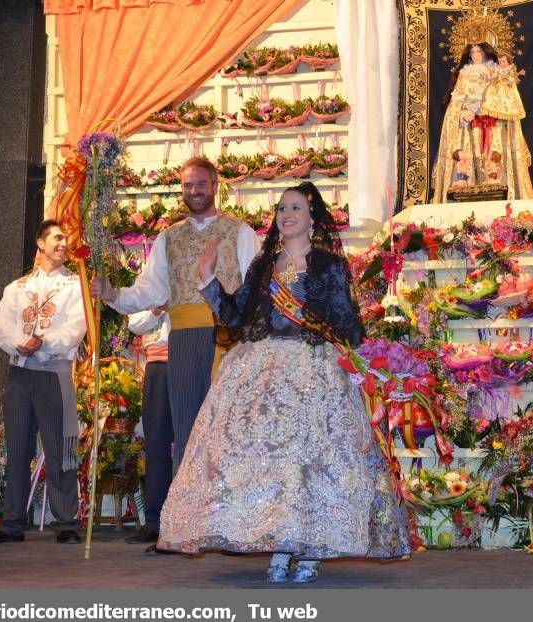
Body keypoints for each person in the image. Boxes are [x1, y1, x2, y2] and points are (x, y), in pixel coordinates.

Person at [155, 182, 412, 583]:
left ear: (312, 218)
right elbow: (237, 317)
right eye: (281, 208)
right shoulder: (263, 266)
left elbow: (347, 324)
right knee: (270, 463)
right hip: (261, 370)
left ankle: (311, 546)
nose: (286, 215)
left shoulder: (328, 266)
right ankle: (281, 542)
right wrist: (208, 283)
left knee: (311, 463)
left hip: (315, 371)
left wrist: (358, 365)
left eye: (295, 208)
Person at [91, 157, 259, 551]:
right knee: (186, 431)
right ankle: (185, 526)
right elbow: (148, 291)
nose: (194, 192)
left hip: (228, 339)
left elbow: (255, 289)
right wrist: (114, 294)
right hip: (182, 340)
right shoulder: (169, 237)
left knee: (228, 431)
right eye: (187, 185)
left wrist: (251, 338)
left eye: (201, 184)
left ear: (215, 184)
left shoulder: (240, 232)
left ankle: (233, 525)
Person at [0, 219, 86, 544]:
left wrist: (44, 342)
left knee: (60, 450)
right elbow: (2, 326)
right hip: (20, 375)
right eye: (56, 237)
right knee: (17, 449)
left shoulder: (74, 286)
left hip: (53, 373)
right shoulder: (17, 288)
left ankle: (66, 519)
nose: (63, 243)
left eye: (65, 239)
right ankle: (13, 520)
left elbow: (76, 327)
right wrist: (19, 344)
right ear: (40, 243)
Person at [431, 42, 533, 202]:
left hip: (492, 123)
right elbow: (456, 100)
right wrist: (462, 112)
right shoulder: (464, 74)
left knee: (493, 155)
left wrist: (492, 105)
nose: (476, 54)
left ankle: (494, 183)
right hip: (469, 125)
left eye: (479, 51)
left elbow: (503, 95)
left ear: (486, 53)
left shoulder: (494, 72)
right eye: (472, 52)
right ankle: (464, 183)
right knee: (465, 155)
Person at [123, 306, 173, 545]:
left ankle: (190, 520)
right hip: (157, 365)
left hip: (192, 355)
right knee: (156, 445)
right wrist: (156, 310)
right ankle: (154, 521)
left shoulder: (199, 269)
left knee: (193, 442)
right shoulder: (152, 274)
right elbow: (134, 322)